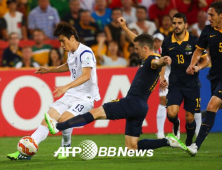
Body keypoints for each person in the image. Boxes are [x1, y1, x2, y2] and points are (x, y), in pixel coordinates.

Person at [44, 17, 188, 152]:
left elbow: (158, 61)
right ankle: (168, 141)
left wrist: (164, 61)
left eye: (137, 49)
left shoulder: (152, 59)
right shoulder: (149, 56)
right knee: (132, 146)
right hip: (141, 107)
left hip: (131, 102)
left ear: (145, 49)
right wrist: (125, 28)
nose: (136, 51)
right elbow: (139, 43)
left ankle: (58, 126)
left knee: (95, 113)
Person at [7, 21, 100, 160]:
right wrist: (49, 70)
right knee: (48, 118)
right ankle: (25, 152)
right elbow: (69, 66)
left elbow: (86, 75)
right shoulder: (71, 52)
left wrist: (66, 86)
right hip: (72, 94)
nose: (61, 45)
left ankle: (65, 145)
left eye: (63, 41)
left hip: (85, 97)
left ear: (72, 38)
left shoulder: (86, 52)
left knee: (64, 120)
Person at [161, 13, 209, 147]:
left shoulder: (194, 41)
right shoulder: (167, 41)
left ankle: (188, 140)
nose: (176, 26)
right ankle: (176, 124)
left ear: (186, 25)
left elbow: (206, 60)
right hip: (175, 83)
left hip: (191, 84)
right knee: (171, 113)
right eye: (174, 23)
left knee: (190, 117)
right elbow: (162, 61)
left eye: (179, 23)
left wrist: (198, 67)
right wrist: (162, 78)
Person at [186, 1, 222, 156]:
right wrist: (192, 65)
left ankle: (196, 145)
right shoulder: (208, 31)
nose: (209, 18)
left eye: (212, 14)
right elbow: (198, 51)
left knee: (212, 105)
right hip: (215, 76)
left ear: (221, 15)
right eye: (208, 14)